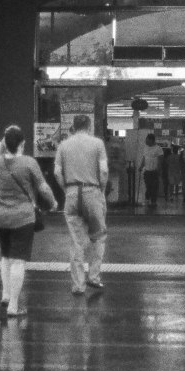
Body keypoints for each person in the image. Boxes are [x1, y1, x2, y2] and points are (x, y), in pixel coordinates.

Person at [0, 125, 56, 317]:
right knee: (18, 260)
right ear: (23, 143)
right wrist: (53, 202)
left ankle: (6, 294)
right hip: (22, 218)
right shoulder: (28, 163)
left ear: (5, 143)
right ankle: (13, 306)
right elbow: (43, 188)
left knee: (5, 256)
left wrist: (6, 137)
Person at [54, 114, 109, 295]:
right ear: (89, 126)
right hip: (92, 191)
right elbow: (103, 171)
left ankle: (78, 285)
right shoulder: (97, 144)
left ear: (74, 126)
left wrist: (66, 190)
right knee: (98, 236)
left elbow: (57, 173)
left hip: (71, 192)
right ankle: (94, 277)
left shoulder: (63, 145)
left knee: (76, 241)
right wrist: (101, 190)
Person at [138, 133, 162, 208]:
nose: (146, 141)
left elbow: (160, 160)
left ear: (151, 140)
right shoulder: (145, 148)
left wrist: (158, 170)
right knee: (148, 186)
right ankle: (147, 199)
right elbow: (144, 158)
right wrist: (141, 166)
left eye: (147, 140)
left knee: (154, 187)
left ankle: (153, 202)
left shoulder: (158, 148)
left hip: (154, 171)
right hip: (147, 171)